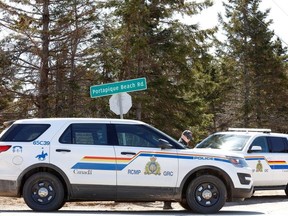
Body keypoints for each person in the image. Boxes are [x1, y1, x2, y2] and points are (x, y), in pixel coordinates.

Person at [163, 129, 193, 210]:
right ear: (183, 136)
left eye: (190, 138)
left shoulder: (183, 143)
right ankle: (167, 204)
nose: (189, 139)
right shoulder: (180, 143)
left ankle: (167, 205)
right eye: (188, 137)